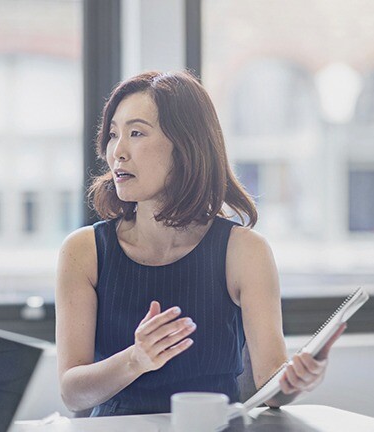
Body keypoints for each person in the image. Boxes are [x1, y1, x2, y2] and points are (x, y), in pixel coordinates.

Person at [55, 71, 345, 416]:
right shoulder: (83, 251)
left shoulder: (245, 252)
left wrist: (295, 381)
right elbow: (72, 394)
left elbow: (270, 387)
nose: (117, 151)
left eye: (136, 133)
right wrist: (136, 359)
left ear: (186, 146)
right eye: (114, 134)